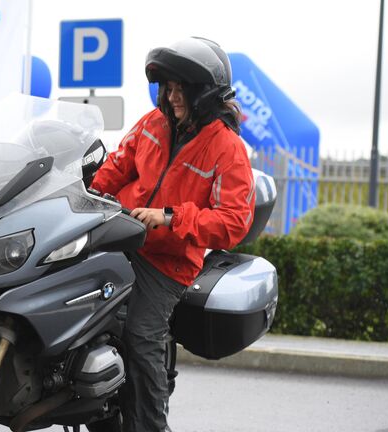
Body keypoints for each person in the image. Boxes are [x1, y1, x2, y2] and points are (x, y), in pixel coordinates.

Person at [88, 37, 255, 432]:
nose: (173, 97)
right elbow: (117, 166)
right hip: (120, 236)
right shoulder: (153, 124)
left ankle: (151, 425)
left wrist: (170, 217)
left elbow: (233, 222)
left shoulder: (227, 148)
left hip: (168, 261)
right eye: (169, 88)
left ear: (204, 93)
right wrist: (87, 192)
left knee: (141, 336)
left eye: (183, 89)